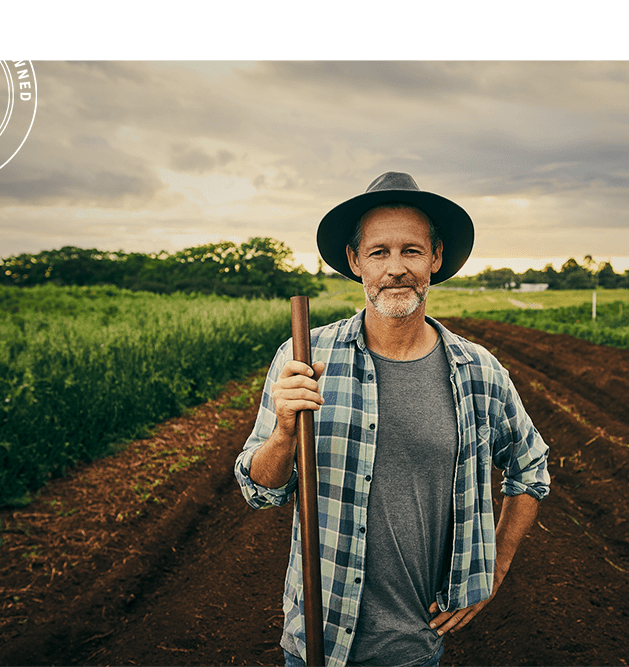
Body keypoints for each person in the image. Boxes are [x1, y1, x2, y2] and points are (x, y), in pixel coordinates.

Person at [234, 172, 550, 667]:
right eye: (379, 252)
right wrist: (282, 433)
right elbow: (261, 491)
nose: (396, 268)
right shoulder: (303, 356)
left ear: (436, 258)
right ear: (355, 260)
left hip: (414, 647)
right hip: (316, 640)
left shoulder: (479, 372)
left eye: (412, 251)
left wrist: (492, 568)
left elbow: (530, 469)